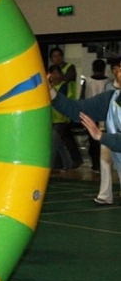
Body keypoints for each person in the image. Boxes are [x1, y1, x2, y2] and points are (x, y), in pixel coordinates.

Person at [50, 59, 121, 200]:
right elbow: (76, 109)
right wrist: (50, 91)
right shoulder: (111, 99)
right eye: (120, 68)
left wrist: (101, 136)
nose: (119, 72)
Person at [49, 47, 83, 167]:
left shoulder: (69, 68)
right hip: (56, 115)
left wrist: (54, 78)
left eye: (59, 55)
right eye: (54, 56)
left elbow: (67, 79)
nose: (57, 58)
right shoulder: (53, 76)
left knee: (56, 140)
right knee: (64, 139)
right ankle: (70, 162)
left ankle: (58, 163)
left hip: (66, 110)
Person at [84, 59, 111, 172]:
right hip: (105, 115)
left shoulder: (88, 81)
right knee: (104, 141)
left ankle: (95, 165)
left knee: (93, 141)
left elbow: (83, 97)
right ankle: (104, 165)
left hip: (91, 114)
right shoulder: (109, 82)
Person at [48, 64, 73, 172]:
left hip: (61, 119)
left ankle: (50, 166)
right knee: (58, 143)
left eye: (57, 73)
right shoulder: (47, 86)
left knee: (54, 142)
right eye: (53, 73)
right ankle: (67, 163)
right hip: (51, 119)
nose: (55, 75)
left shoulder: (64, 86)